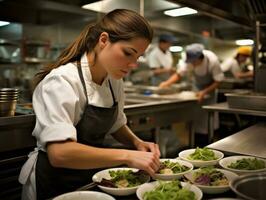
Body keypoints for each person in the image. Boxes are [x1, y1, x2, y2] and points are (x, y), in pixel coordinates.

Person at [18, 9, 160, 200]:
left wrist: (137, 143)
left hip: (88, 176)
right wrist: (128, 156)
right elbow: (60, 153)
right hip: (54, 182)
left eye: (138, 57)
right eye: (128, 53)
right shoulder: (62, 81)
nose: (133, 64)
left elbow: (116, 122)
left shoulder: (113, 79)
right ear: (103, 40)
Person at [160, 43, 224, 139]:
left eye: (193, 62)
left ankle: (210, 139)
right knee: (196, 116)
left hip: (210, 90)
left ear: (200, 58)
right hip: (197, 88)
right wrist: (167, 83)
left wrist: (204, 92)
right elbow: (179, 74)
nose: (192, 64)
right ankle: (195, 140)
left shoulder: (212, 60)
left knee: (208, 118)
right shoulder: (188, 59)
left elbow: (218, 81)